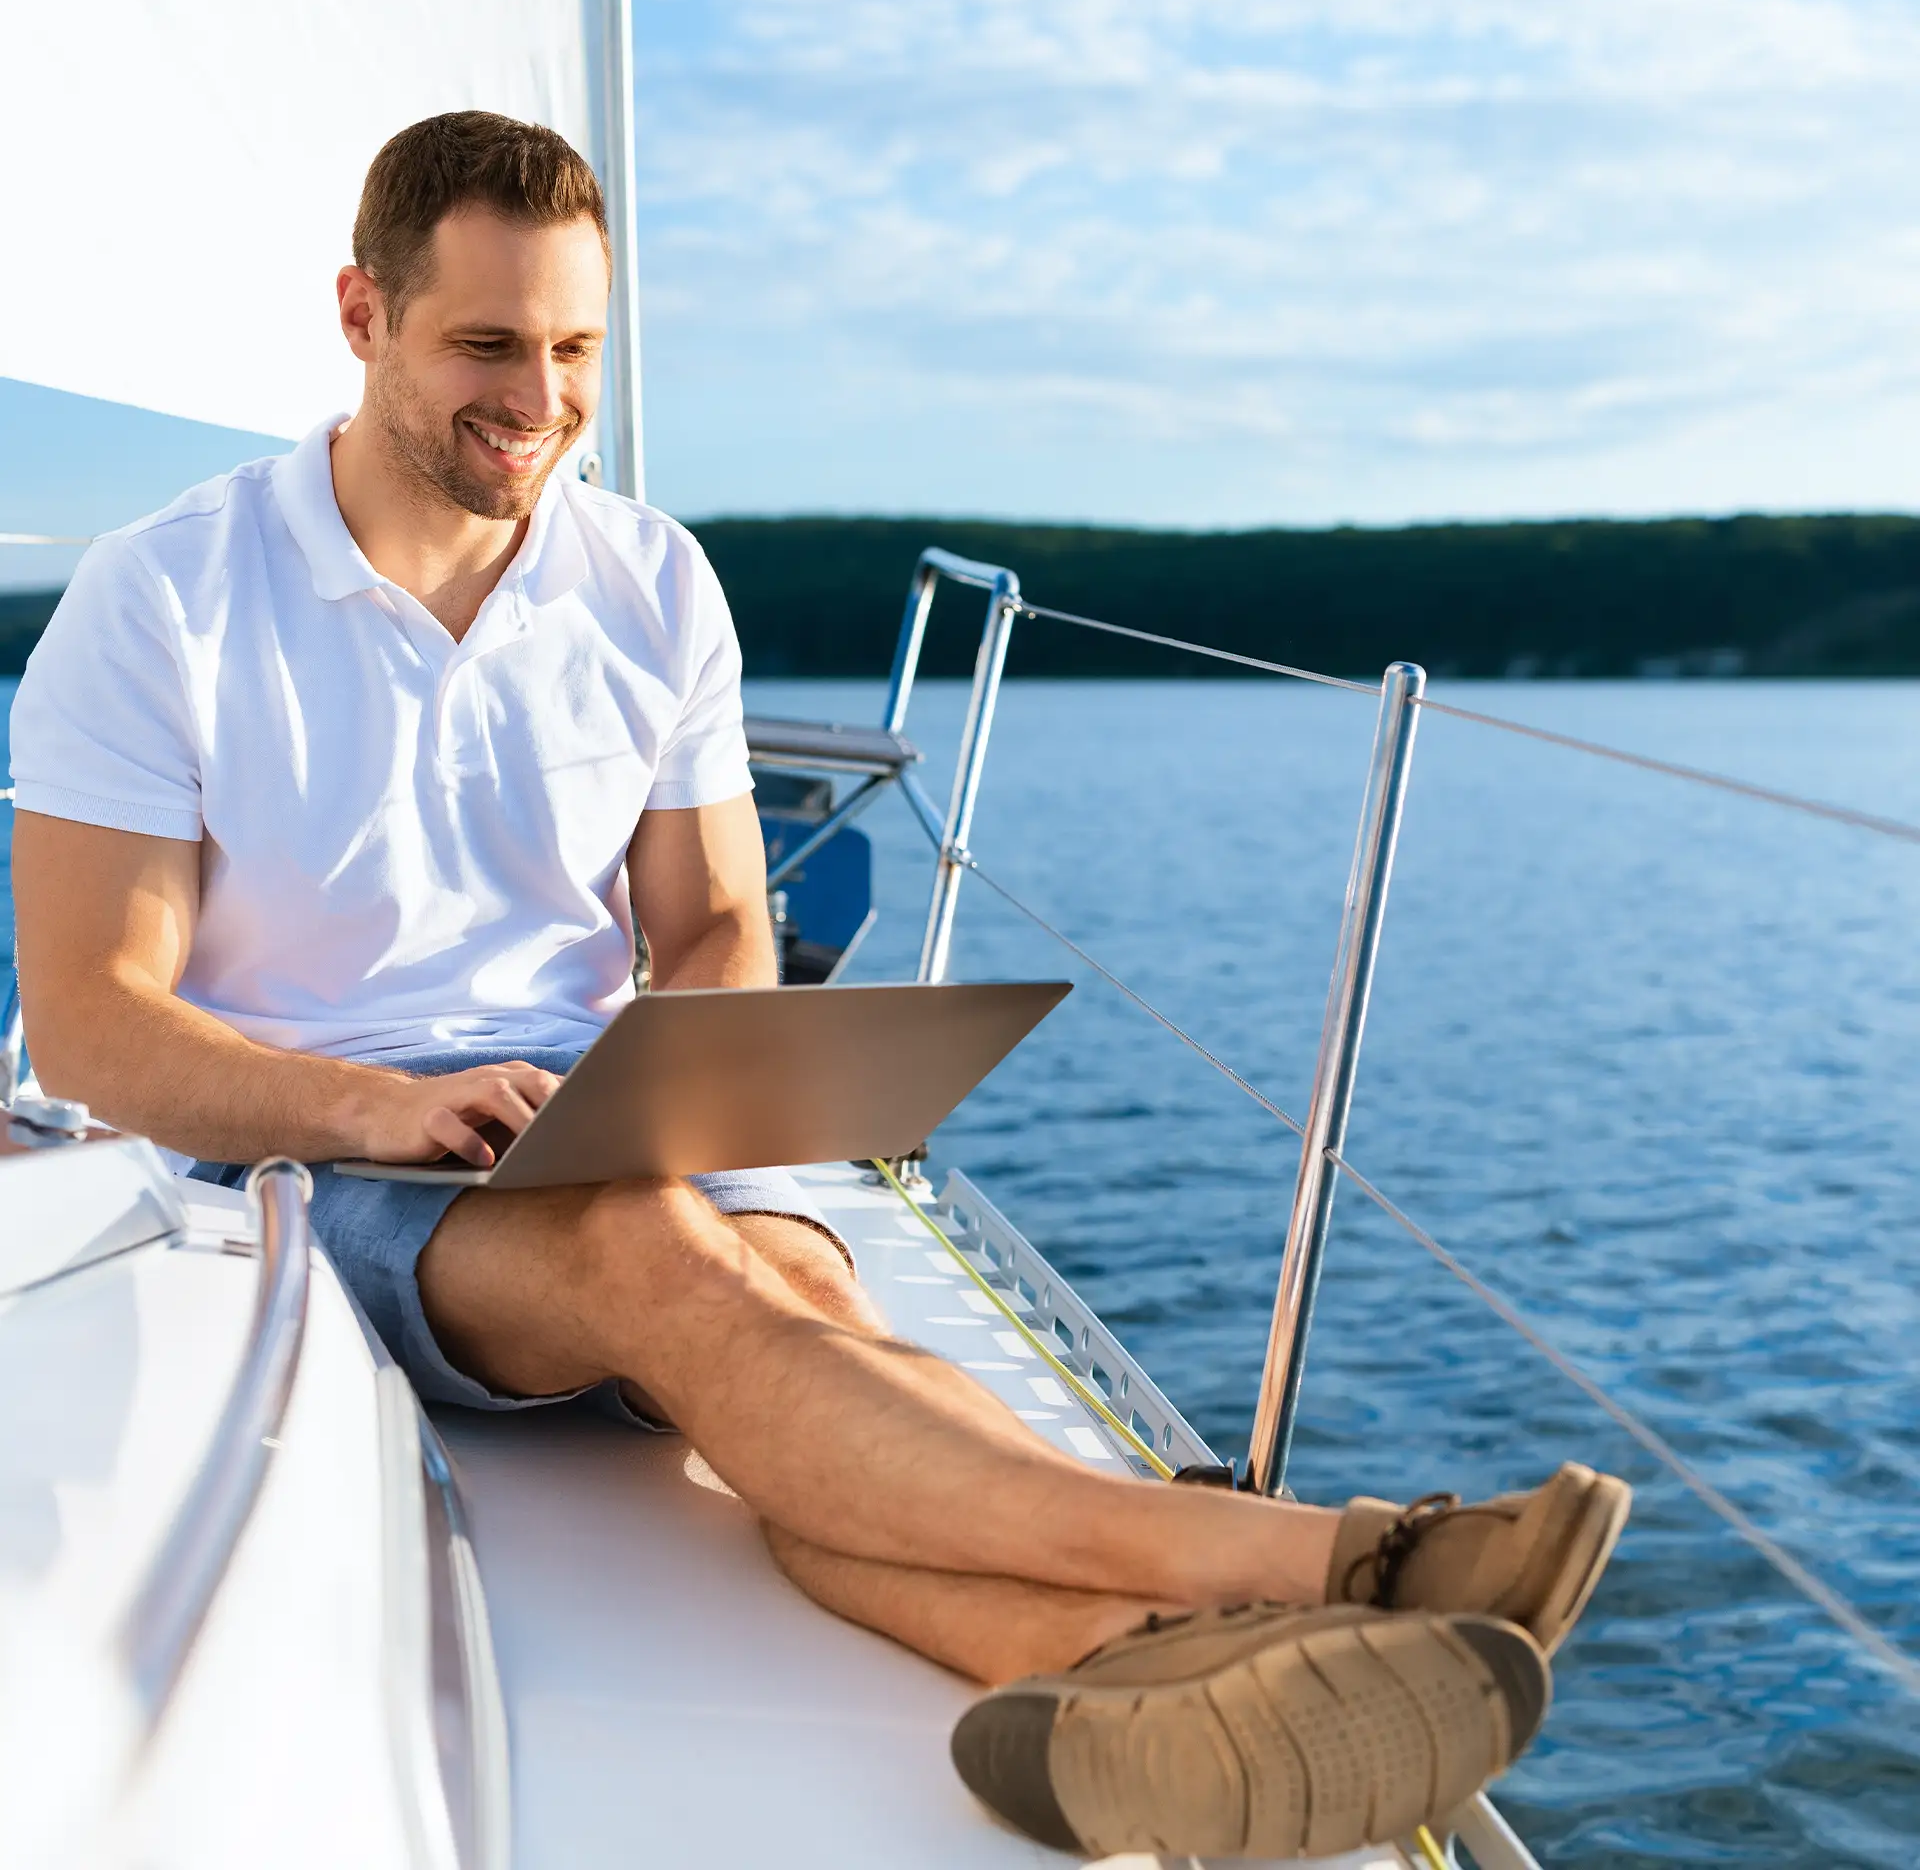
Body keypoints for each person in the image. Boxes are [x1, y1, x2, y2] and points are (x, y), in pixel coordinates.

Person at [6, 111, 1628, 1860]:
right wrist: (385, 1107)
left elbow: (708, 923)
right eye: (486, 345)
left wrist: (696, 1084)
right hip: (307, 1168)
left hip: (587, 1119)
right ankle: (1321, 1557)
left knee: (797, 1315)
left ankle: (1085, 1682)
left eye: (573, 351)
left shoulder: (649, 579)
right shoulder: (165, 597)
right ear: (360, 314)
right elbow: (98, 1023)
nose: (538, 400)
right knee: (659, 1262)